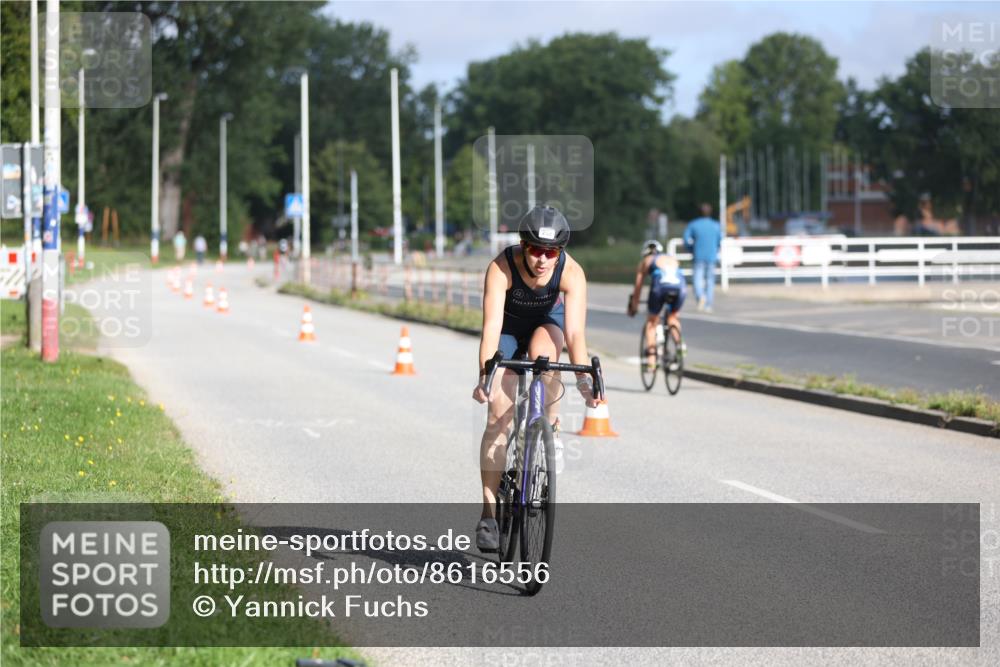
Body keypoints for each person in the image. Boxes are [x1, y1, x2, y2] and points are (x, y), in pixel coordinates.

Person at [471, 205, 598, 552]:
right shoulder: (501, 268)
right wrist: (486, 376)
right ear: (523, 246)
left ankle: (550, 427)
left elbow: (575, 334)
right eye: (536, 250)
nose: (543, 260)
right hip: (508, 328)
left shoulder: (571, 271)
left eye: (551, 253)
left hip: (546, 323)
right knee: (498, 416)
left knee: (547, 359)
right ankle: (489, 514)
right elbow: (491, 328)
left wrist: (584, 382)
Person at [628, 240, 686, 370]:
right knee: (673, 317)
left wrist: (634, 306)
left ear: (645, 253)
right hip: (680, 287)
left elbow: (638, 288)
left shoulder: (646, 261)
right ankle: (680, 345)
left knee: (651, 323)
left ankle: (652, 362)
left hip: (660, 287)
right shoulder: (671, 259)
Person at [683, 203, 722, 312]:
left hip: (698, 255)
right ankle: (708, 305)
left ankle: (700, 296)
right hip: (711, 256)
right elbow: (720, 240)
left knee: (697, 279)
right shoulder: (716, 225)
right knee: (710, 280)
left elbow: (686, 239)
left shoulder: (693, 224)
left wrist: (691, 249)